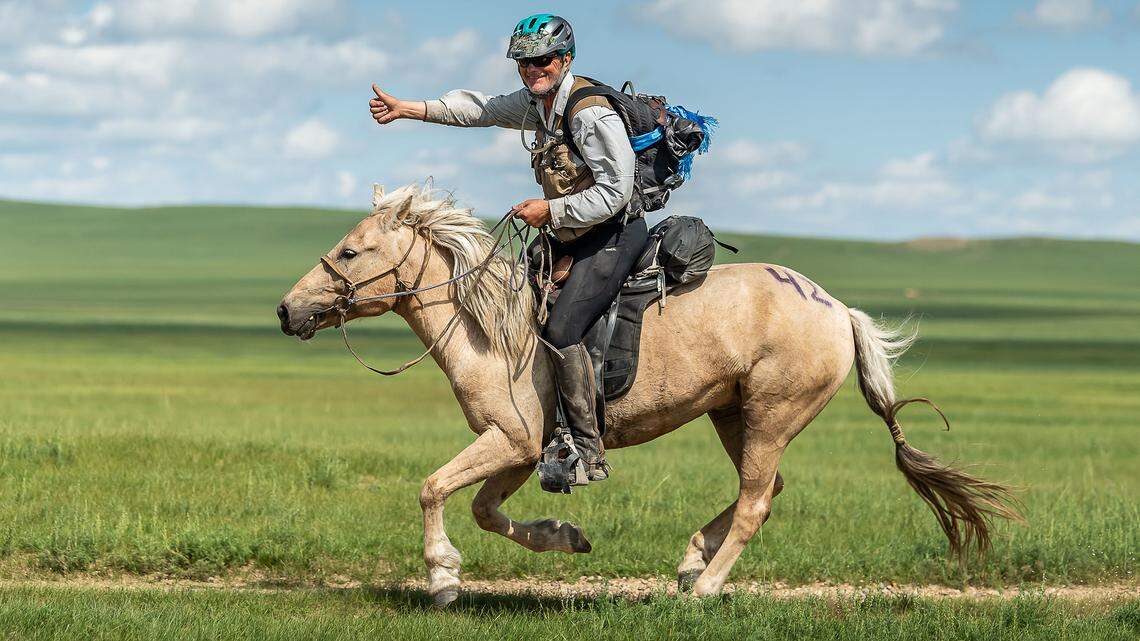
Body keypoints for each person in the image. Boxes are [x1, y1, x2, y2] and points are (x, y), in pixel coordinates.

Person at [369, 13, 649, 485]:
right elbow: (480, 109)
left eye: (541, 60)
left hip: (614, 233)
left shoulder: (589, 113)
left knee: (561, 329)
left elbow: (616, 191)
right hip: (571, 235)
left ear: (564, 59)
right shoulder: (535, 104)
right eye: (523, 62)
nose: (532, 69)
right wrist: (409, 109)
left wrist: (550, 212)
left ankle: (586, 449)